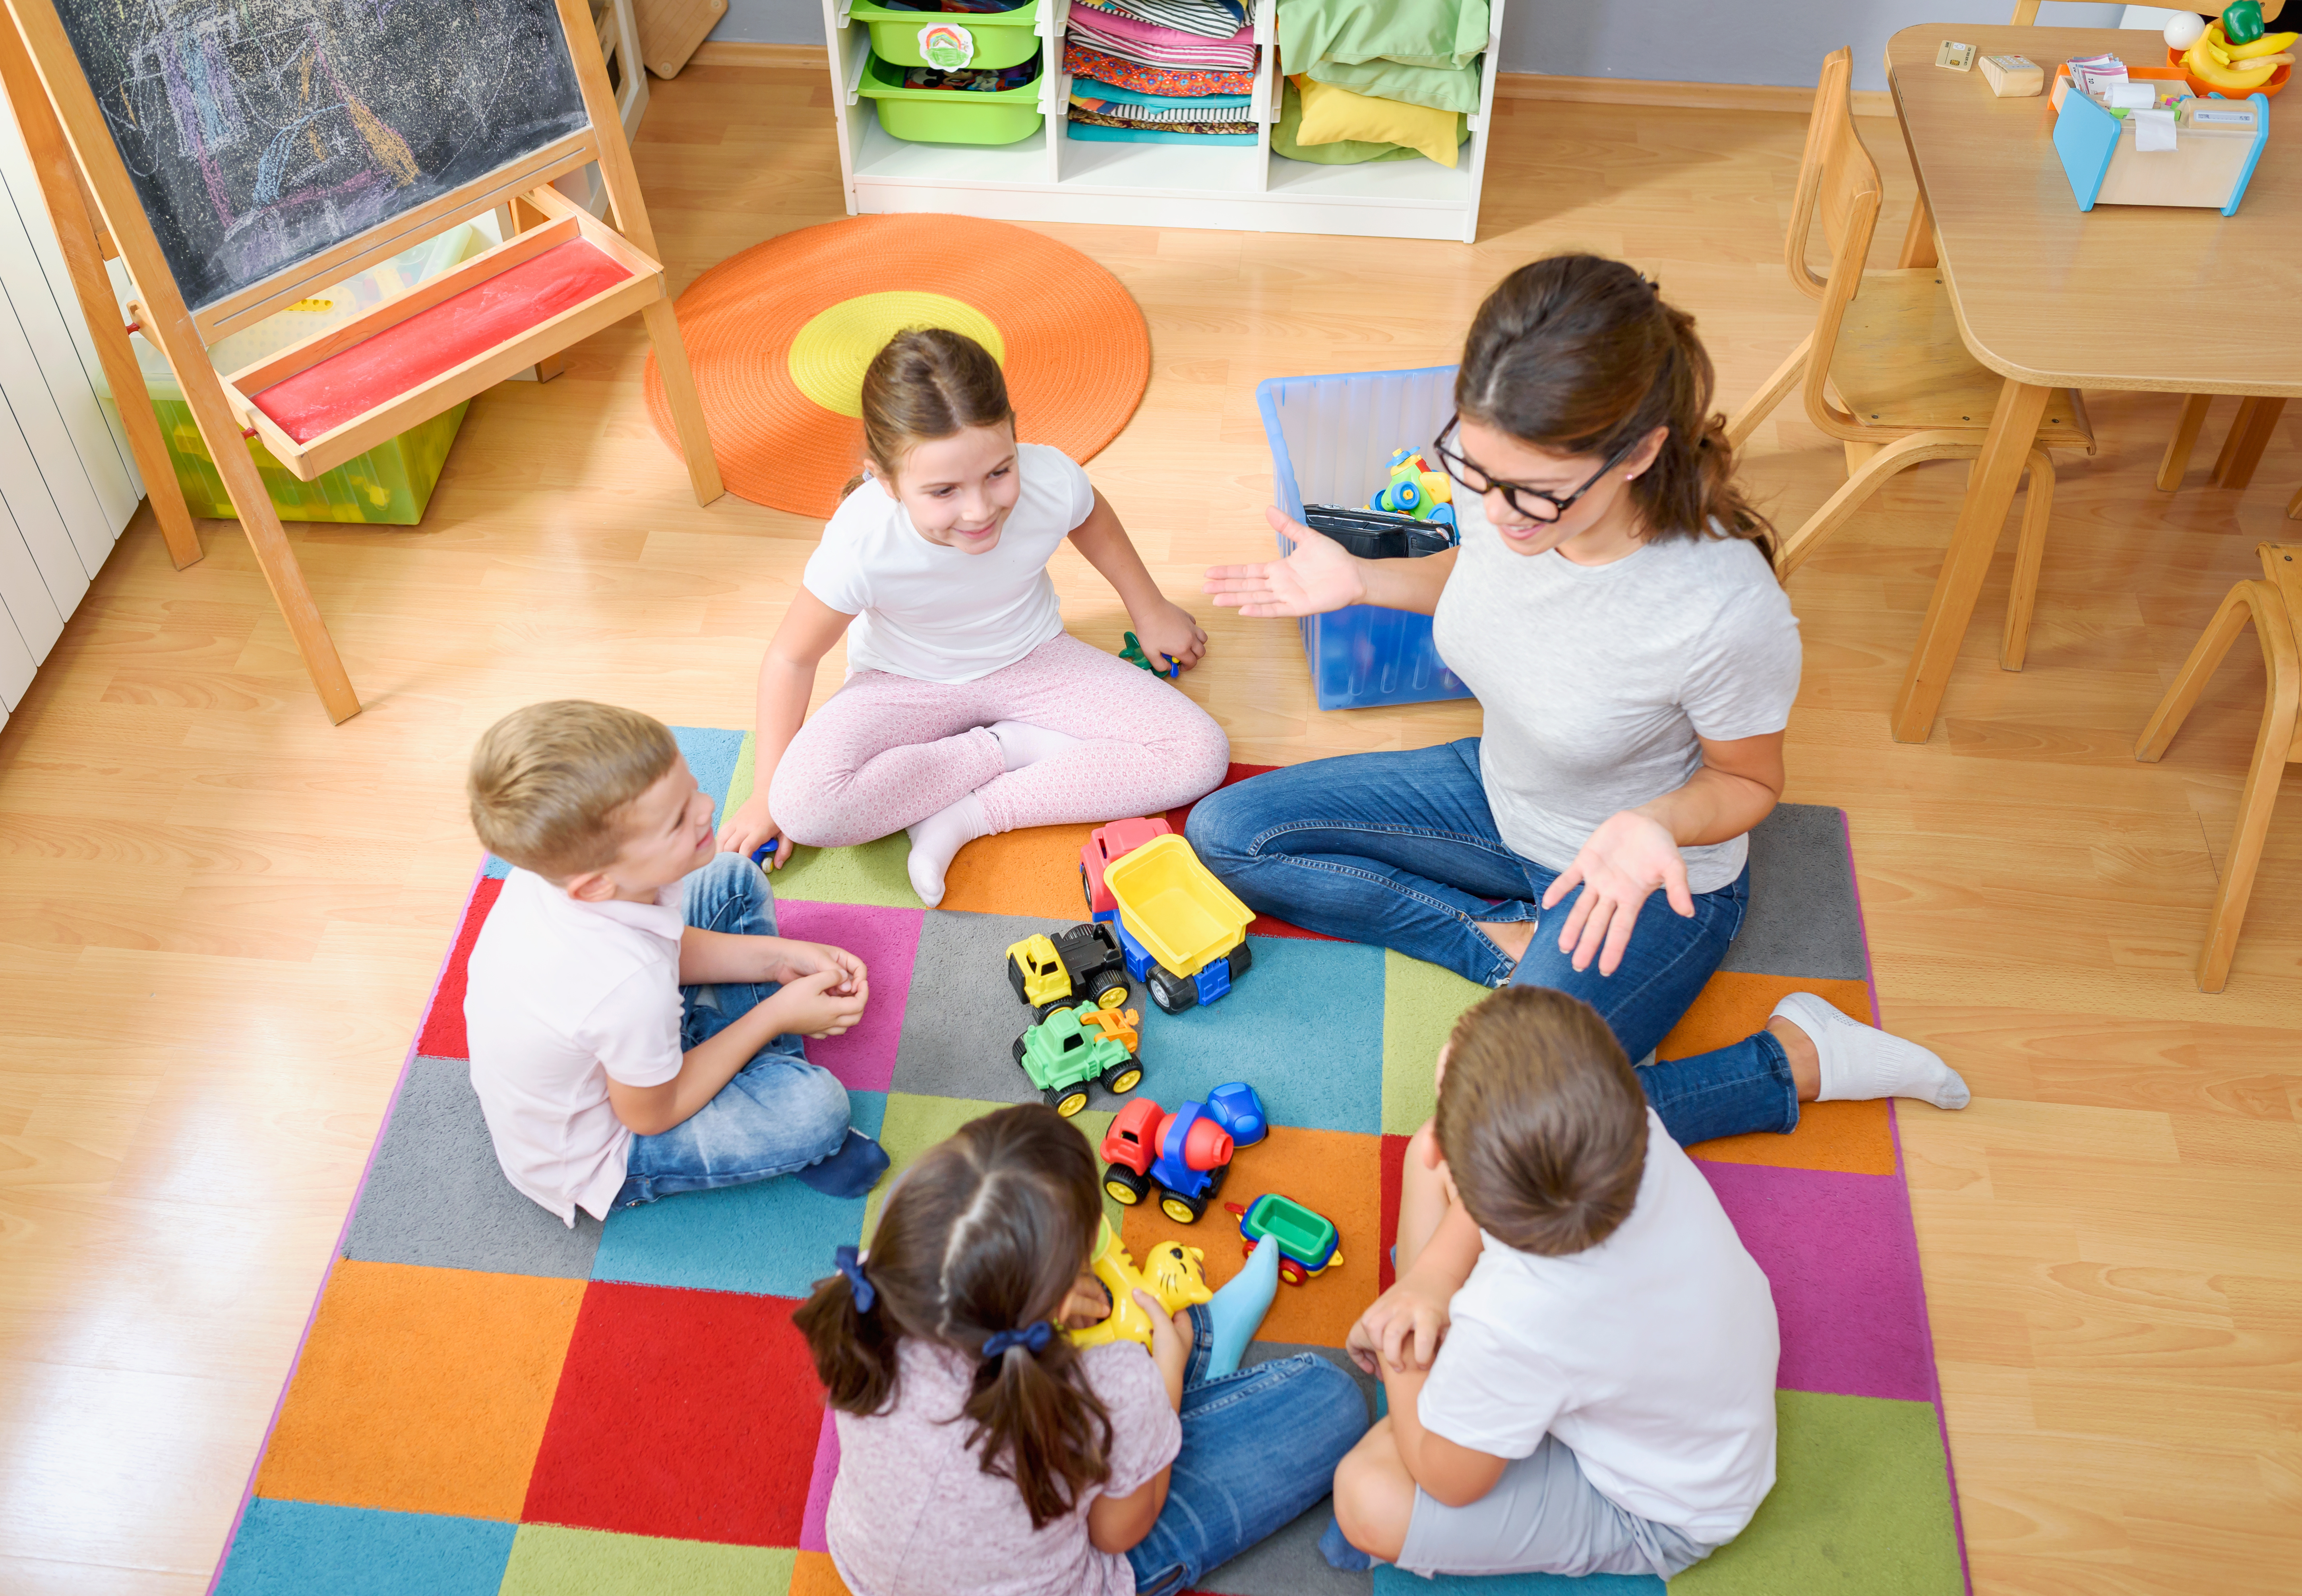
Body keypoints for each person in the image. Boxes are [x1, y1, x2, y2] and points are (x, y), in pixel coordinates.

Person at [1189, 254, 1969, 1146]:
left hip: (1638, 875)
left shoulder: (1721, 608)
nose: (1497, 510)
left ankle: (1796, 1058)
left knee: (1505, 1130)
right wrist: (1358, 581)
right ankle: (1500, 947)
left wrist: (1658, 826)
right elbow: (1484, 573)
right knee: (1228, 834)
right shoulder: (1501, 487)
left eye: (1534, 493)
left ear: (1638, 452)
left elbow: (1749, 785)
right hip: (1499, 792)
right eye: (1474, 472)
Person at [717, 328, 1227, 907]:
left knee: (1199, 754)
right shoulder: (861, 540)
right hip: (902, 684)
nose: (980, 510)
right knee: (804, 807)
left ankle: (966, 815)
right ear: (883, 481)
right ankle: (1003, 749)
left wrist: (1151, 609)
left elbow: (1091, 517)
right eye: (943, 491)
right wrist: (765, 793)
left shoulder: (1047, 477)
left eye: (997, 473)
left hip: (1036, 660)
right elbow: (792, 656)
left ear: (1014, 434)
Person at [794, 1103, 1369, 1596]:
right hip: (1074, 1567)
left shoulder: (873, 1289)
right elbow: (1118, 1533)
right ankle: (1198, 1356)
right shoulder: (1112, 1383)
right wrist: (1163, 1381)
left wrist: (1049, 1295)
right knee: (1332, 1395)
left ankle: (1181, 1372)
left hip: (870, 1573)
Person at [1323, 986, 1778, 1579]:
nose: (1435, 1133)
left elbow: (1449, 1482)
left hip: (1663, 1506)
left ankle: (1457, 1393)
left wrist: (1400, 1351)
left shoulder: (1517, 1318)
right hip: (1682, 1405)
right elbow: (1464, 1164)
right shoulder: (1625, 1124)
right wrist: (1431, 1280)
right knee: (1424, 1166)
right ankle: (1473, 1399)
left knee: (1366, 1495)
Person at [462, 700, 889, 1226]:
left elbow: (662, 944)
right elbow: (651, 1114)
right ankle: (768, 1084)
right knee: (817, 1112)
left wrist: (776, 959)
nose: (708, 807)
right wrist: (777, 1016)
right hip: (613, 1145)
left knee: (733, 878)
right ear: (597, 883)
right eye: (677, 821)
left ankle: (743, 1064)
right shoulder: (624, 986)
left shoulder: (558, 879)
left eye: (692, 789)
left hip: (627, 1037)